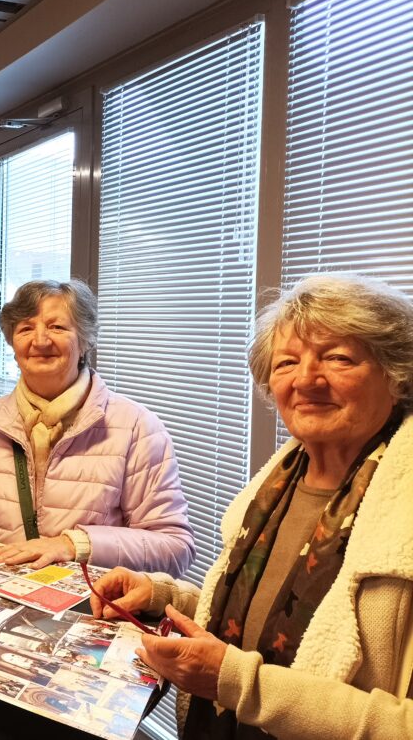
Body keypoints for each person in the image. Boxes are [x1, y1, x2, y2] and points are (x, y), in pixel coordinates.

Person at [90, 274, 413, 739]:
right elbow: (261, 628)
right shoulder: (274, 489)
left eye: (338, 358)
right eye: (286, 363)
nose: (306, 379)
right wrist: (164, 598)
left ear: (397, 374)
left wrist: (241, 684)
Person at [0, 279, 194, 576]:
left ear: (85, 340)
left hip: (89, 601)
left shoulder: (135, 427)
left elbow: (175, 548)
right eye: (25, 329)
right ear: (12, 344)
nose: (41, 341)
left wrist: (75, 545)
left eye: (57, 327)